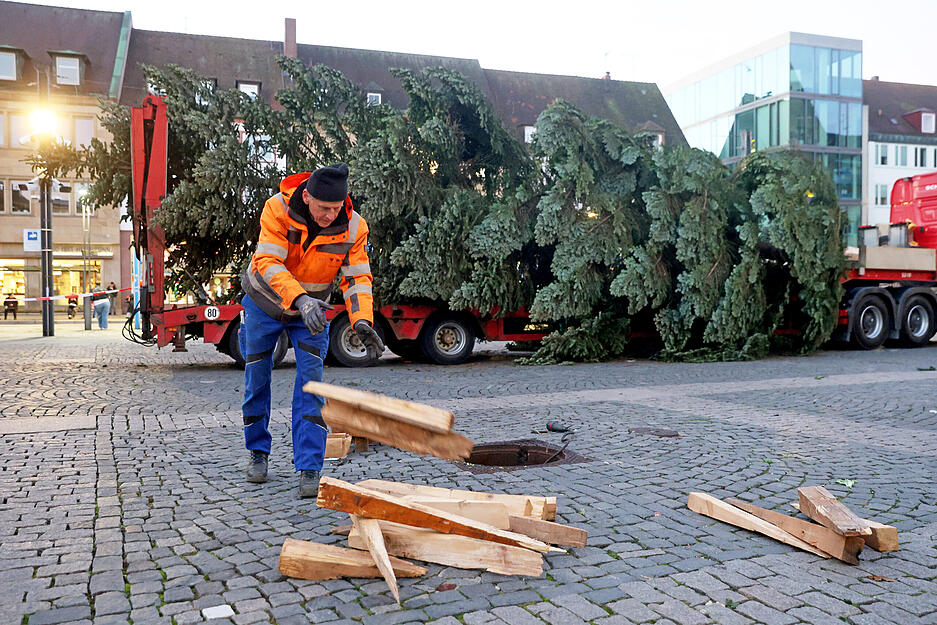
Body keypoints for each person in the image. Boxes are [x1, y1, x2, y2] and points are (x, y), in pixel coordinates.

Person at [240, 163, 383, 498]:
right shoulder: (277, 209)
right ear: (307, 196)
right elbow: (269, 263)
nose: (330, 215)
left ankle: (309, 468)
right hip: (265, 303)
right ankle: (257, 452)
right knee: (256, 378)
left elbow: (356, 277)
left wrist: (362, 319)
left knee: (311, 388)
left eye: (336, 208)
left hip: (312, 313)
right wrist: (300, 299)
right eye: (323, 208)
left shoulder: (353, 227)